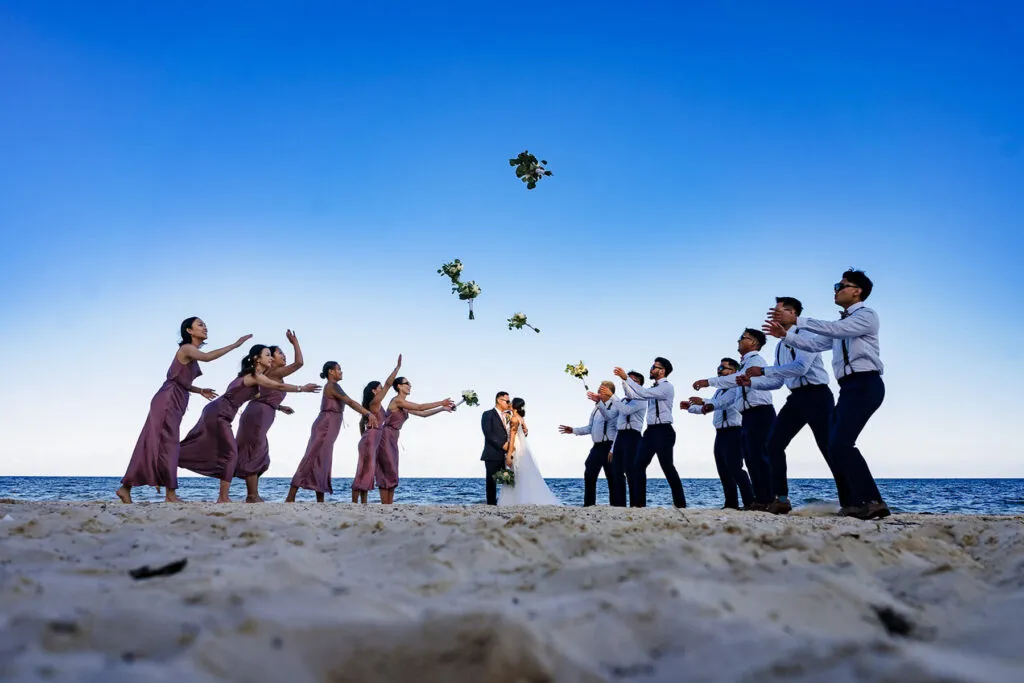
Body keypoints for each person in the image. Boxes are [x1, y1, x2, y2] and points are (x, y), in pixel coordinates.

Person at [764, 269, 889, 520]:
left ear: (857, 291)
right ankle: (856, 504)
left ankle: (871, 501)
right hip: (848, 387)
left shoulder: (866, 316)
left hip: (865, 383)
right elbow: (814, 344)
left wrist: (798, 323)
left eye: (841, 285)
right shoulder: (841, 325)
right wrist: (785, 335)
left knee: (840, 443)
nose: (836, 289)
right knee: (835, 445)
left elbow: (830, 332)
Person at [116, 317, 250, 504]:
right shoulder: (187, 348)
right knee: (168, 444)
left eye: (205, 324)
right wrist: (235, 345)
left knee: (158, 443)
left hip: (176, 398)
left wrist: (198, 390)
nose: (205, 327)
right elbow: (208, 357)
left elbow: (182, 381)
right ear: (189, 331)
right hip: (168, 399)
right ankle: (169, 495)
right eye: (200, 325)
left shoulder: (191, 353)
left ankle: (126, 488)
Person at [739, 298, 843, 514]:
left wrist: (764, 371)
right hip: (795, 398)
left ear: (792, 312)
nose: (773, 315)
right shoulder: (779, 346)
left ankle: (850, 498)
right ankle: (782, 499)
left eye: (778, 311)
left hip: (817, 395)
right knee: (773, 445)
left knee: (829, 447)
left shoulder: (806, 335)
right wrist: (753, 382)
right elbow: (777, 382)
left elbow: (801, 367)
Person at [179, 344, 320, 503]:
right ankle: (226, 497)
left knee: (215, 448)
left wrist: (279, 407)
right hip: (220, 413)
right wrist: (303, 388)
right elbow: (278, 385)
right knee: (233, 453)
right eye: (268, 355)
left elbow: (257, 396)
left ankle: (168, 458)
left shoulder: (256, 377)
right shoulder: (255, 376)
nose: (271, 358)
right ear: (257, 359)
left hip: (223, 413)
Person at [694, 329, 775, 510]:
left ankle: (767, 499)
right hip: (748, 415)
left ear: (753, 343)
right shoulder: (745, 363)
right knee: (751, 459)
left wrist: (707, 381)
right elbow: (726, 400)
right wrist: (707, 404)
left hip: (759, 412)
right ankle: (758, 500)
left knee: (759, 458)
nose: (738, 340)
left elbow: (734, 381)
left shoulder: (755, 361)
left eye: (743, 338)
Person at [286, 361, 378, 503]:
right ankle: (290, 497)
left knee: (323, 461)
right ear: (331, 371)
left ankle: (320, 500)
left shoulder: (335, 386)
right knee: (311, 458)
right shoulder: (332, 386)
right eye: (339, 369)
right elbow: (350, 401)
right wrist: (368, 414)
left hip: (330, 426)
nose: (341, 372)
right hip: (325, 426)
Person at [234, 330, 308, 503]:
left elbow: (264, 396)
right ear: (272, 360)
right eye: (280, 352)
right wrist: (295, 342)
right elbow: (299, 363)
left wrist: (280, 407)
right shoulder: (275, 372)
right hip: (257, 416)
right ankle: (252, 496)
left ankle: (253, 494)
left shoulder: (270, 374)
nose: (284, 355)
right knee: (254, 453)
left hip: (261, 414)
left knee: (259, 455)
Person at [613, 357, 687, 508]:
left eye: (654, 366)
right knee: (638, 466)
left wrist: (626, 377)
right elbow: (635, 395)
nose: (651, 369)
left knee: (667, 467)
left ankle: (680, 504)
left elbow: (644, 393)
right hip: (650, 432)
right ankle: (639, 505)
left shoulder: (666, 387)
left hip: (664, 431)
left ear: (662, 370)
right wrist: (624, 382)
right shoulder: (653, 388)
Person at [681, 358, 752, 509]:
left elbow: (723, 402)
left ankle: (749, 502)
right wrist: (690, 407)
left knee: (735, 468)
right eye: (719, 367)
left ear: (733, 371)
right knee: (723, 470)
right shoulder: (718, 391)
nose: (719, 370)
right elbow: (709, 407)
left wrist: (703, 401)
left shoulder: (737, 387)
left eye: (723, 367)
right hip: (720, 433)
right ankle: (731, 504)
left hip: (735, 431)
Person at [375, 377, 453, 504]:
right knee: (386, 470)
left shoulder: (404, 404)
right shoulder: (397, 401)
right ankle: (385, 505)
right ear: (399, 386)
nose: (410, 386)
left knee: (392, 471)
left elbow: (423, 414)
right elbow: (420, 407)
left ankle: (389, 505)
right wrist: (441, 402)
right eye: (407, 384)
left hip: (393, 437)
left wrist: (442, 409)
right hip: (385, 436)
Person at [558, 381, 619, 506]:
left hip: (610, 446)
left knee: (612, 477)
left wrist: (613, 449)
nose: (598, 393)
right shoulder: (596, 409)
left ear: (609, 392)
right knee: (589, 474)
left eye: (601, 390)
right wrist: (573, 430)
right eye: (598, 390)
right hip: (597, 447)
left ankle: (615, 505)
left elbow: (609, 418)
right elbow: (590, 428)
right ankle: (589, 505)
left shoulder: (616, 406)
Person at [351, 356, 402, 504]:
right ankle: (355, 503)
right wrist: (397, 368)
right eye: (379, 389)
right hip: (371, 438)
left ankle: (364, 503)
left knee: (368, 471)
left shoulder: (374, 406)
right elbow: (387, 384)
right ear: (374, 391)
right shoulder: (374, 403)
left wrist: (365, 437)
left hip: (371, 439)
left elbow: (361, 423)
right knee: (363, 471)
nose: (382, 390)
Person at [499, 398, 561, 506]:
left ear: (514, 406)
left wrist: (509, 454)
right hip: (522, 447)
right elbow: (526, 432)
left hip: (515, 447)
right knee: (521, 473)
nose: (509, 403)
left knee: (514, 472)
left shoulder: (514, 419)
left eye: (511, 402)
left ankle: (513, 500)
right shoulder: (520, 418)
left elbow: (512, 437)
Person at [608, 371, 647, 507]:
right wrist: (599, 402)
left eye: (634, 380)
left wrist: (612, 396)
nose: (630, 382)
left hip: (633, 436)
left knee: (631, 471)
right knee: (616, 471)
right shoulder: (623, 401)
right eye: (629, 380)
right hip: (621, 436)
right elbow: (612, 418)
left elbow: (625, 410)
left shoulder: (642, 399)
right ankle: (620, 504)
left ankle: (636, 505)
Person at [481, 392, 512, 505]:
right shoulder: (488, 414)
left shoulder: (509, 416)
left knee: (509, 480)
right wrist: (502, 445)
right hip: (492, 453)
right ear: (499, 400)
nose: (509, 403)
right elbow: (488, 433)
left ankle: (507, 501)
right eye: (507, 401)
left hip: (507, 455)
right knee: (491, 482)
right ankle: (491, 505)